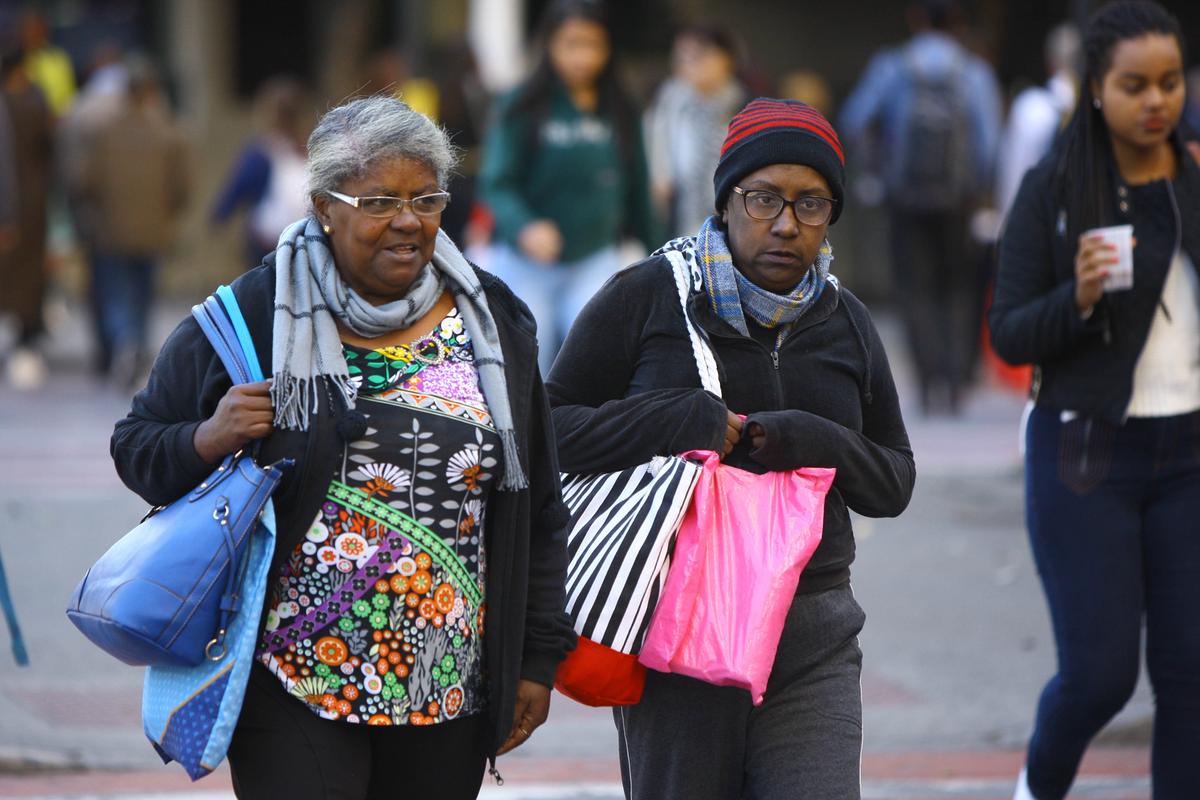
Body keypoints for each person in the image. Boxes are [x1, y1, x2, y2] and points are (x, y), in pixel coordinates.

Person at [110, 95, 575, 799]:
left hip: (446, 683)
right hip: (289, 676)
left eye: (427, 198)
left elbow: (537, 502)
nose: (410, 221)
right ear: (326, 206)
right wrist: (209, 436)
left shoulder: (494, 320)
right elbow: (137, 447)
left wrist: (536, 659)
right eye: (381, 200)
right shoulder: (251, 316)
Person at [549, 98, 915, 799]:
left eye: (811, 204)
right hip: (679, 628)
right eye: (763, 198)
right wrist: (676, 419)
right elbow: (549, 428)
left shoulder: (848, 322)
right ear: (725, 201)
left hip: (815, 636)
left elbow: (893, 482)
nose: (784, 223)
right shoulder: (650, 295)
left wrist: (815, 440)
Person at [988, 3, 1200, 798]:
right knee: (1099, 676)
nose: (1157, 101)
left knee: (1190, 677)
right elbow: (1009, 332)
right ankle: (1037, 787)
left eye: (1171, 82)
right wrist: (1074, 298)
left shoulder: (1194, 184)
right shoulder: (1054, 190)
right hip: (1086, 455)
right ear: (1096, 90)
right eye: (1135, 84)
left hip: (1190, 455)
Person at [479, 0, 658, 374]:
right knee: (530, 359)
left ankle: (581, 432)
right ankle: (527, 434)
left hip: (595, 257)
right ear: (550, 45)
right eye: (572, 44)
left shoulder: (622, 108)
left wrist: (663, 254)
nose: (584, 56)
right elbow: (497, 183)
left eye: (594, 45)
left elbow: (639, 190)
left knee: (594, 360)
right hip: (526, 263)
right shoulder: (521, 105)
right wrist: (525, 225)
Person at [840, 0, 1002, 414]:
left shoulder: (892, 66)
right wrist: (979, 188)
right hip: (959, 201)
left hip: (906, 197)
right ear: (960, 22)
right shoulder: (974, 71)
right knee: (959, 287)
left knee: (914, 288)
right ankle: (955, 381)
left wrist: (879, 164)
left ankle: (928, 382)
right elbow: (989, 143)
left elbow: (855, 118)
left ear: (915, 19)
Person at [73, 55, 190, 385]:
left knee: (115, 291)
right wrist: (167, 213)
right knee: (144, 293)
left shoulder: (103, 130)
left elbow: (84, 181)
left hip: (112, 227)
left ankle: (125, 341)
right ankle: (136, 343)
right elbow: (182, 186)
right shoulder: (168, 130)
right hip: (153, 229)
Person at [645, 23, 746, 238]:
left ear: (726, 58)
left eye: (699, 54)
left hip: (735, 217)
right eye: (682, 56)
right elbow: (656, 167)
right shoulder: (667, 104)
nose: (689, 63)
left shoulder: (744, 105)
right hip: (678, 219)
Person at [210, 76, 313, 266]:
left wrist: (219, 215)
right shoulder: (307, 149)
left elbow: (239, 185)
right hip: (301, 237)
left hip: (265, 238)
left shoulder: (260, 151)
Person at [0, 39, 53, 390]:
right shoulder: (32, 103)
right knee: (22, 284)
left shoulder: (17, 105)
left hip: (19, 208)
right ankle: (23, 339)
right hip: (26, 208)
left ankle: (21, 341)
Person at [994, 23, 1082, 224]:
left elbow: (1010, 173)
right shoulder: (1095, 108)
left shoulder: (1028, 106)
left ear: (1050, 63)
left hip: (1030, 221)